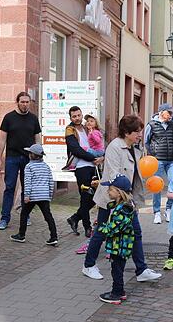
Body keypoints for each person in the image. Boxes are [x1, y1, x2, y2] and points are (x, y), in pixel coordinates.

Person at [82, 115, 162, 283]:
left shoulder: (136, 148)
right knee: (101, 232)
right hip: (112, 198)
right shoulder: (115, 147)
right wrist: (125, 197)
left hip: (128, 199)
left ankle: (141, 270)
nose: (140, 135)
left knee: (136, 232)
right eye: (137, 132)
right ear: (126, 132)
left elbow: (137, 172)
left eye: (140, 131)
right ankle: (89, 265)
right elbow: (114, 175)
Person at [0, 92, 41, 230]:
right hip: (12, 158)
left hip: (29, 159)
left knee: (26, 189)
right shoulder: (9, 118)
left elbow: (37, 138)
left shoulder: (33, 119)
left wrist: (38, 155)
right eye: (22, 102)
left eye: (27, 102)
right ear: (17, 102)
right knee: (9, 187)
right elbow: (2, 139)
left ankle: (25, 215)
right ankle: (4, 218)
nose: (25, 104)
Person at [96, 175, 136, 304]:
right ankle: (120, 291)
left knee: (117, 270)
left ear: (119, 192)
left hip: (119, 246)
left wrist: (100, 227)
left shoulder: (123, 209)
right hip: (120, 245)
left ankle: (116, 294)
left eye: (110, 189)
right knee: (117, 269)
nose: (108, 191)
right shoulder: (121, 206)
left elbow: (113, 229)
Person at [65, 107, 103, 237]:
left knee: (97, 196)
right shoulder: (70, 130)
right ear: (70, 118)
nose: (77, 118)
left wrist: (102, 157)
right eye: (74, 116)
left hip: (93, 167)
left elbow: (98, 143)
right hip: (81, 168)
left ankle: (75, 218)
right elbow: (76, 150)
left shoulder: (87, 127)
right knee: (85, 197)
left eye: (78, 115)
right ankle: (87, 227)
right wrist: (94, 158)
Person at [9, 144, 58, 246]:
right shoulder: (46, 166)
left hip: (33, 196)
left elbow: (28, 182)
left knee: (24, 214)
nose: (29, 154)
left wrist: (26, 195)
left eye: (30, 153)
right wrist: (49, 195)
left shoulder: (29, 166)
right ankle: (54, 237)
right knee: (48, 216)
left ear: (32, 155)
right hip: (44, 196)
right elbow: (50, 181)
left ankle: (21, 235)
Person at [144, 103, 173, 224]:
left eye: (172, 112)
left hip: (172, 159)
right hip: (158, 160)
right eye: (169, 112)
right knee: (156, 186)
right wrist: (153, 153)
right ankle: (157, 212)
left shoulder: (172, 124)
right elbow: (146, 141)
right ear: (161, 112)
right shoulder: (151, 124)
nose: (171, 115)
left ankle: (168, 209)